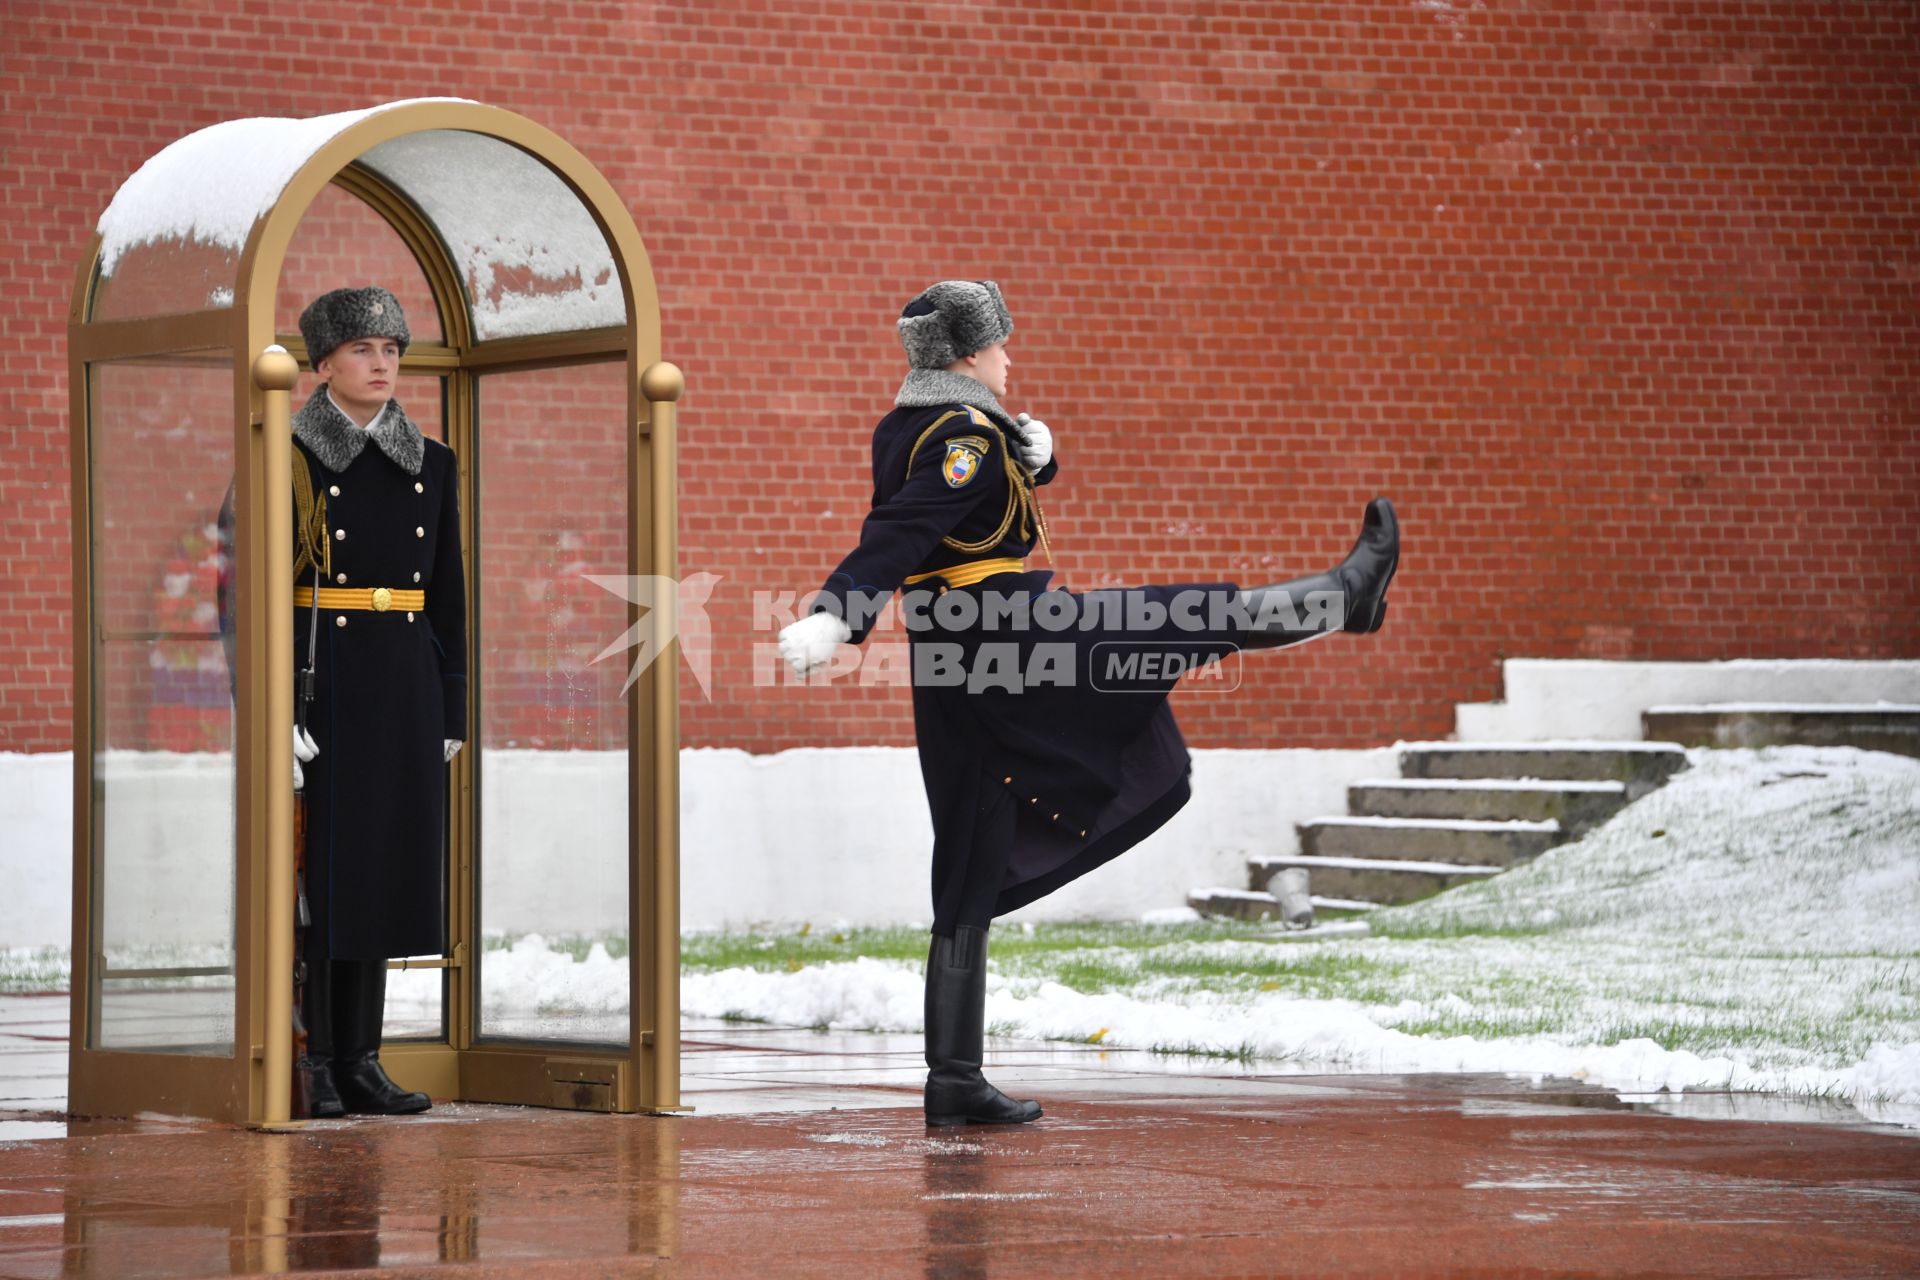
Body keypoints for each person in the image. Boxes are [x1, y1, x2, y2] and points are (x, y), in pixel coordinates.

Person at [777, 280, 1398, 1127]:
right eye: (997, 344)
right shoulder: (960, 433)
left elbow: (967, 515)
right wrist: (836, 614)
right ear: (965, 355)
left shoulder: (923, 425)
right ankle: (1344, 597)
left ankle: (953, 1079)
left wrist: (1035, 459)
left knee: (965, 871)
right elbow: (904, 531)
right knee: (1186, 614)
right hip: (1008, 637)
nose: (1009, 356)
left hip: (955, 673)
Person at [284, 286, 467, 1117]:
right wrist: (273, 707)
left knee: (388, 871)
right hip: (326, 682)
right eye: (362, 350)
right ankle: (314, 1060)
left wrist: (453, 709)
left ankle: (362, 1059)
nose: (382, 363)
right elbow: (246, 591)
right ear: (323, 365)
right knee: (330, 875)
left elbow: (449, 593)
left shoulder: (433, 461)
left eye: (392, 349)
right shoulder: (286, 451)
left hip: (404, 682)